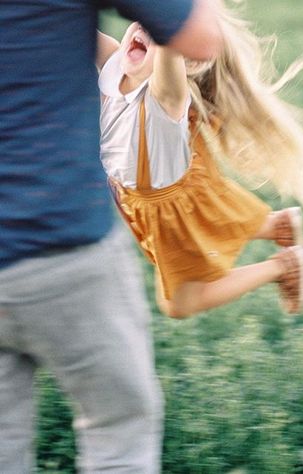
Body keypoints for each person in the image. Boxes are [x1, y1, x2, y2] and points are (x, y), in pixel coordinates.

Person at [0, 1, 222, 473]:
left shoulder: (139, 93)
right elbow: (200, 36)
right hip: (62, 244)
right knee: (119, 430)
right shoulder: (140, 91)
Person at [97, 2, 303, 319]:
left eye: (157, 28)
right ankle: (276, 225)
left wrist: (174, 24)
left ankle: (284, 265)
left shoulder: (164, 101)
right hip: (144, 198)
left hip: (166, 211)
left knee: (178, 304)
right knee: (206, 224)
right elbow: (66, 26)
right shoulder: (114, 65)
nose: (144, 28)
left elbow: (171, 42)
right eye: (142, 20)